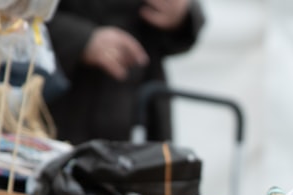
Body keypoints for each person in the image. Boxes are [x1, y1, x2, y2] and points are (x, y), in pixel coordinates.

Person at [45, 0, 206, 146]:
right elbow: (22, 13)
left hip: (140, 105)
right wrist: (82, 39)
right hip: (60, 101)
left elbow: (186, 25)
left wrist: (181, 13)